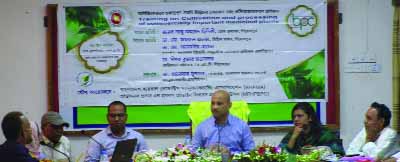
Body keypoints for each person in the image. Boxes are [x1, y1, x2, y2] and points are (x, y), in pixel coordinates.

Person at [192, 90, 255, 154]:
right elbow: (194, 151)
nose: (215, 107)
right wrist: (207, 153)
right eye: (212, 103)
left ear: (229, 105)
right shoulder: (202, 127)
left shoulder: (242, 126)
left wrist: (231, 154)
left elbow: (251, 151)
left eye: (219, 104)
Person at [279, 102, 345, 155]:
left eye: (300, 116)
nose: (296, 119)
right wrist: (293, 138)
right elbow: (280, 154)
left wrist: (316, 151)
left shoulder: (324, 134)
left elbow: (339, 155)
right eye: (294, 117)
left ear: (310, 117)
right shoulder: (293, 133)